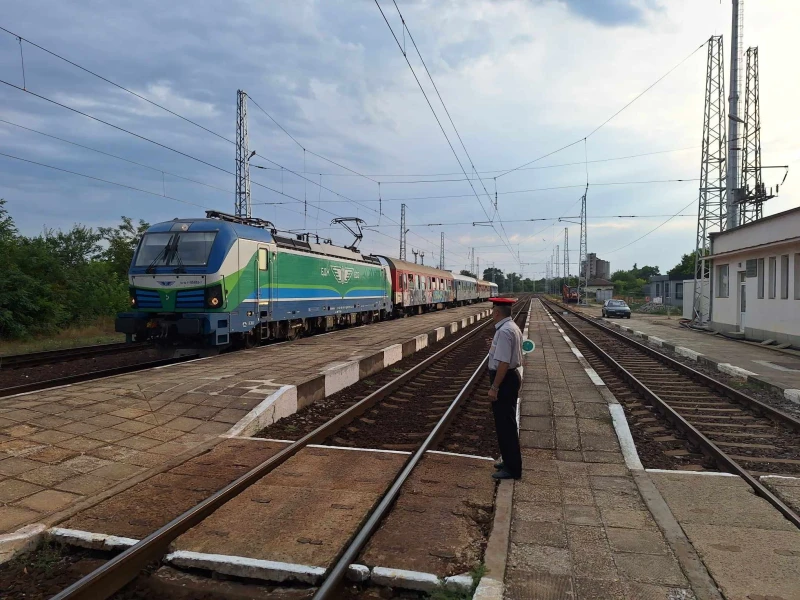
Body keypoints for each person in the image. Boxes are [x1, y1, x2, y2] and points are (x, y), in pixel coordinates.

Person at [487, 297, 523, 480]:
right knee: (507, 424)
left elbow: (503, 363)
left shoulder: (504, 331)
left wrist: (494, 387)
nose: (492, 313)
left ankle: (512, 468)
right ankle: (509, 461)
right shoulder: (511, 327)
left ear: (497, 312)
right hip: (511, 378)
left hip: (505, 380)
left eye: (493, 310)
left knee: (505, 426)